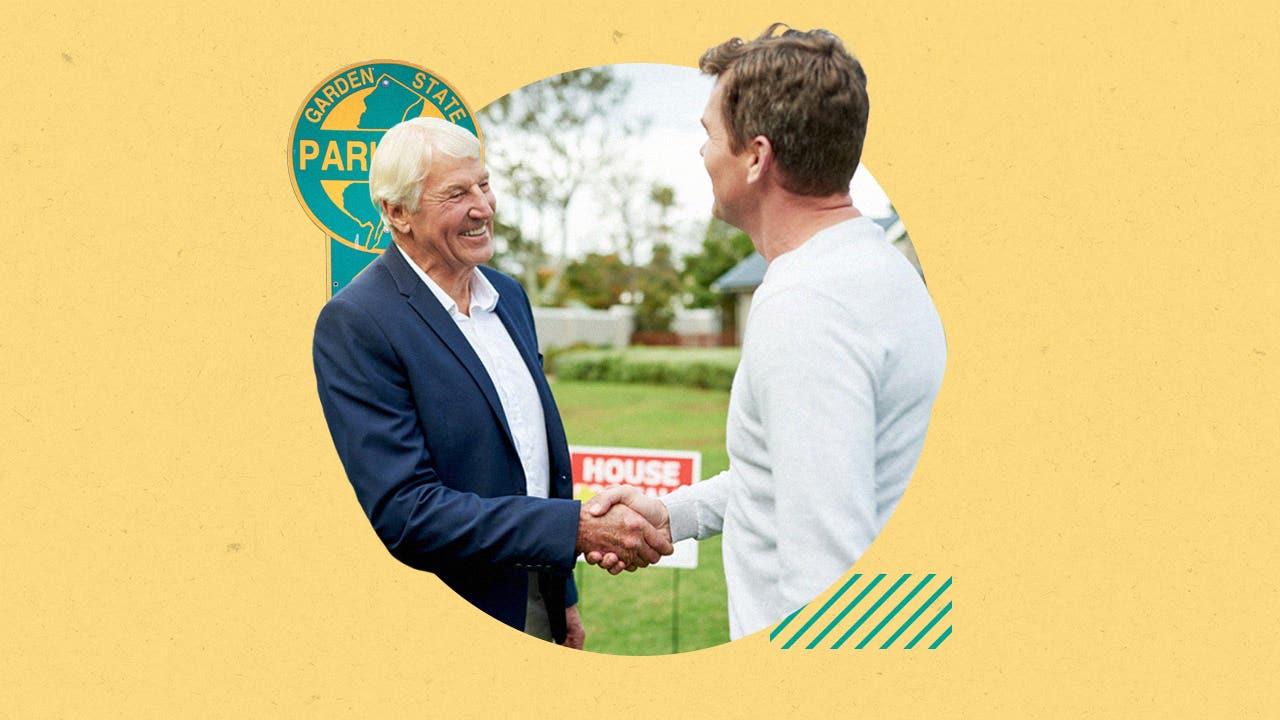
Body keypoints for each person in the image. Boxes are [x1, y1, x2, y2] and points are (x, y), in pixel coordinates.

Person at [586, 25, 947, 640]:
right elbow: (793, 479)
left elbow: (828, 576)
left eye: (709, 135)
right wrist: (672, 515)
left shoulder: (808, 306)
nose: (702, 154)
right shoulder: (879, 268)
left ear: (755, 156)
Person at [313, 117, 672, 648]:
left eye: (483, 184)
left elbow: (536, 465)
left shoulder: (507, 297)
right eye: (456, 193)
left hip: (537, 600)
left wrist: (563, 597)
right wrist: (574, 529)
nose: (483, 206)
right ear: (396, 213)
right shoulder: (359, 322)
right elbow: (407, 512)